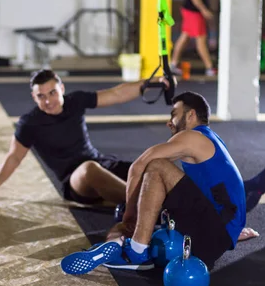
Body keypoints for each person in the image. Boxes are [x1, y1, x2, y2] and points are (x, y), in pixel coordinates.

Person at [0, 70, 265, 223]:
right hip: (76, 181)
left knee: (158, 166)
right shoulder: (29, 123)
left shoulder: (74, 102)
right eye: (41, 96)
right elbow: (13, 158)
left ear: (61, 88)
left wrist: (149, 85)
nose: (48, 100)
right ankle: (160, 211)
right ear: (34, 98)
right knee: (90, 169)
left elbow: (114, 94)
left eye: (52, 92)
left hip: (104, 164)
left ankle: (228, 194)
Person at [61, 91, 247, 274]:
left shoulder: (192, 136)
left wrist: (130, 212)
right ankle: (116, 244)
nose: (169, 122)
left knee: (158, 166)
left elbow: (138, 165)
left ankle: (137, 252)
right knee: (134, 222)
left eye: (174, 115)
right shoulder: (212, 139)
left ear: (191, 115)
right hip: (216, 233)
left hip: (212, 235)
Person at [170, 0, 221, 77]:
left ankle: (173, 64)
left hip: (190, 10)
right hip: (194, 11)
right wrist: (203, 10)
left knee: (185, 37)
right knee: (201, 40)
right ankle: (209, 68)